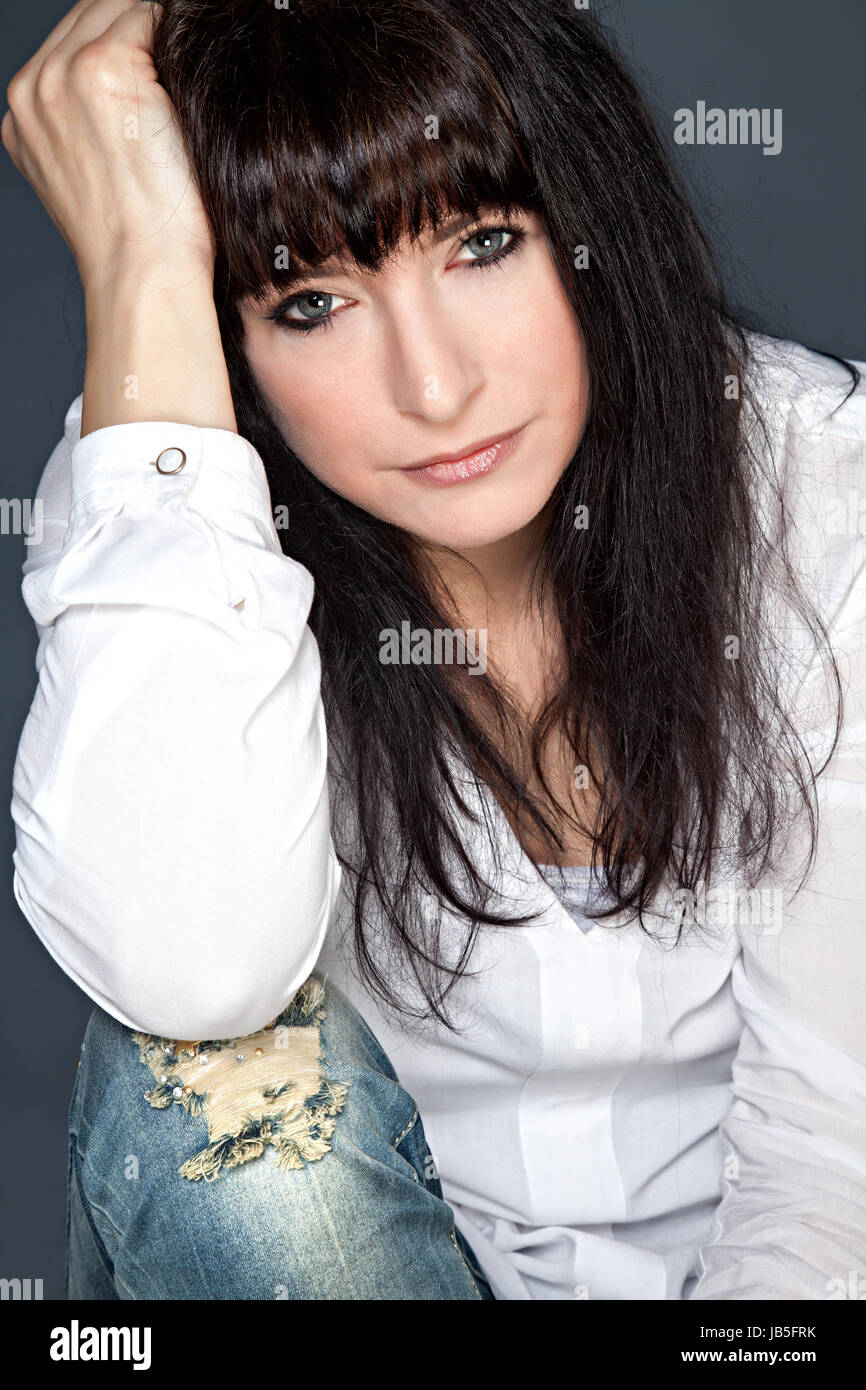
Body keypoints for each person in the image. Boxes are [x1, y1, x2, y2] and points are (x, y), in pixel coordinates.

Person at [4, 0, 866, 1301]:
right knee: (209, 1070)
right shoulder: (169, 524)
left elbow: (831, 1160)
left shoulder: (819, 492)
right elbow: (189, 971)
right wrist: (138, 265)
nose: (433, 385)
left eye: (481, 243)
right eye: (309, 302)